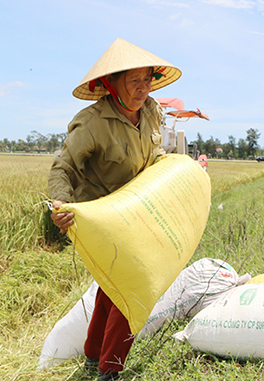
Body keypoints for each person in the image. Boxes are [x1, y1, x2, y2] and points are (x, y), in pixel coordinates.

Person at [48, 38, 181, 381]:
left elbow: (155, 157)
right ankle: (110, 369)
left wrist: (177, 174)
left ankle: (94, 355)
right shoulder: (92, 122)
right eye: (134, 80)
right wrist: (60, 204)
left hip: (139, 212)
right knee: (131, 285)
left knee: (113, 287)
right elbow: (63, 167)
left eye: (148, 79)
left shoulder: (152, 112)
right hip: (103, 217)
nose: (143, 88)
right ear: (111, 83)